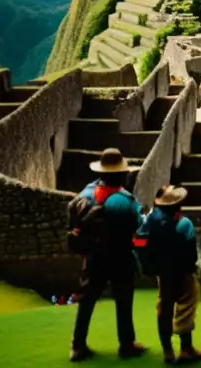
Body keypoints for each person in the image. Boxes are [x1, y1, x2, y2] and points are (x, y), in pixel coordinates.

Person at [69, 148, 147, 362]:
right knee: (123, 300)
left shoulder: (85, 195)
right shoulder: (126, 200)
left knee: (87, 300)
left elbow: (73, 220)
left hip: (94, 257)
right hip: (120, 256)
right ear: (121, 175)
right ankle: (126, 343)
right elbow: (139, 227)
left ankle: (77, 345)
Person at [139, 185, 201, 364]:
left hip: (162, 272)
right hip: (182, 272)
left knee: (164, 306)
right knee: (187, 303)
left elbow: (140, 243)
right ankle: (186, 348)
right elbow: (191, 253)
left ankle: (167, 350)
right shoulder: (184, 224)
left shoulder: (149, 220)